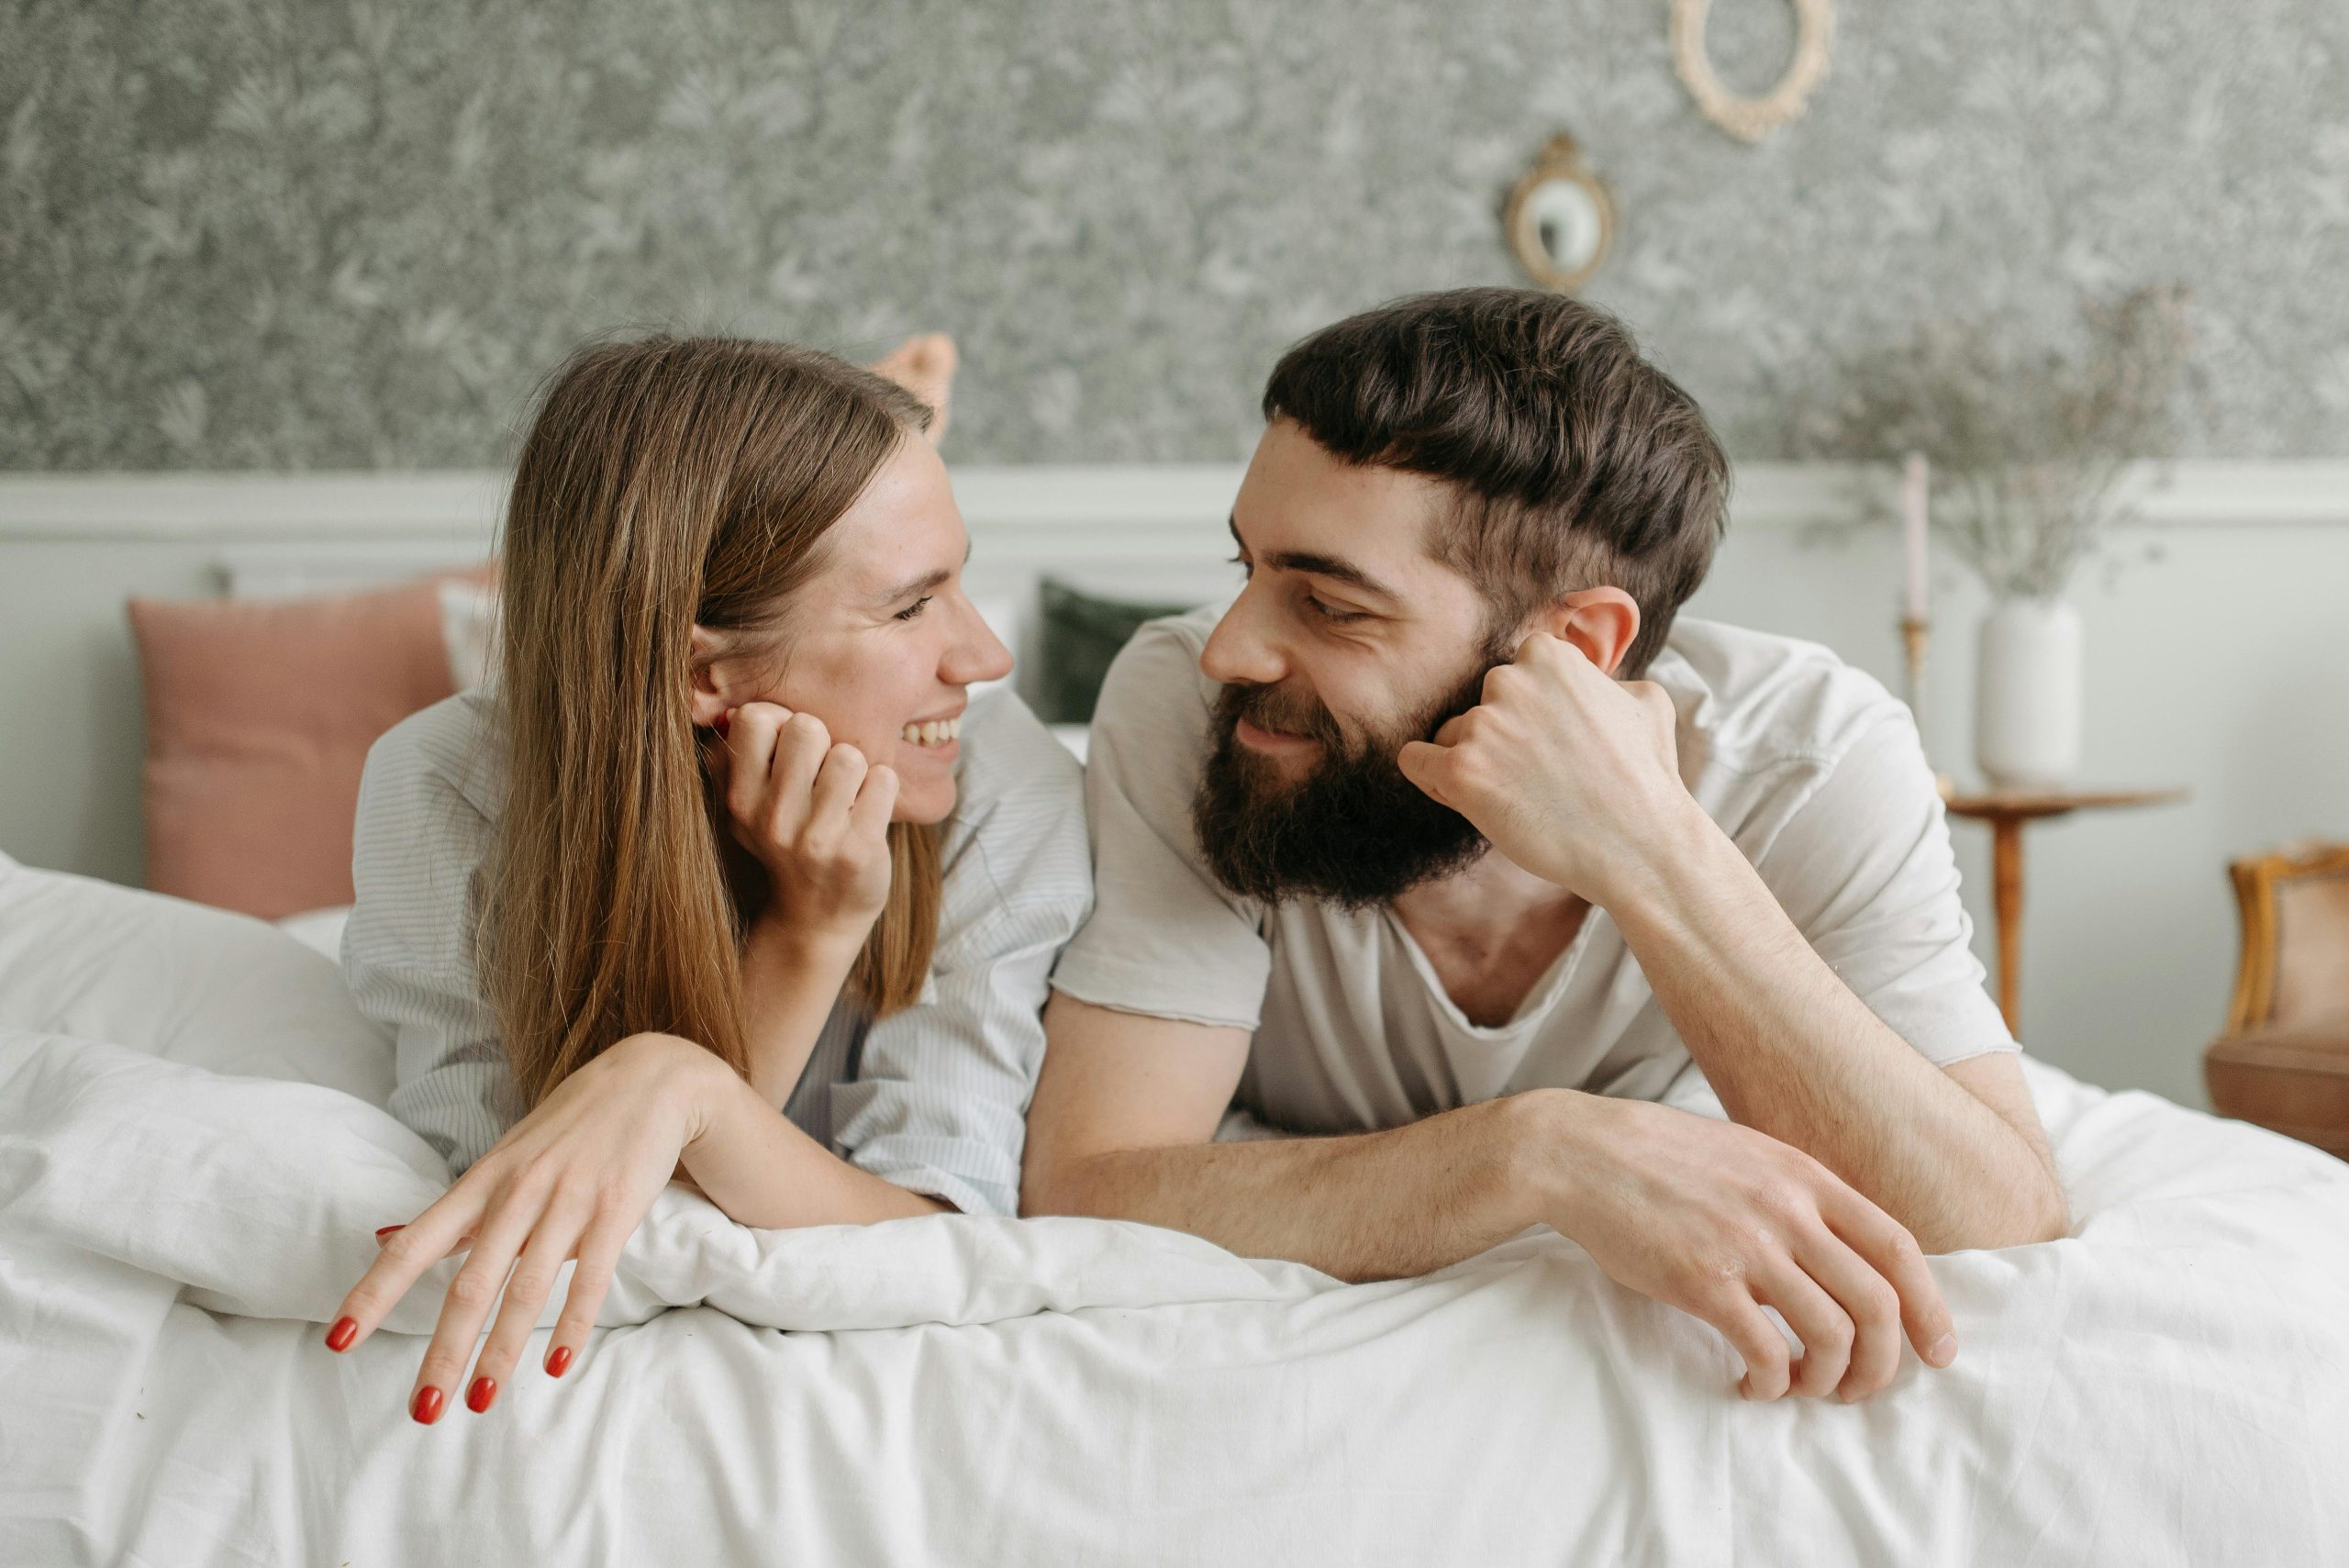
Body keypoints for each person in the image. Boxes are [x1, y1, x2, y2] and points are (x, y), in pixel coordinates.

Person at [1021, 288, 2070, 1406]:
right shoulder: (1189, 709)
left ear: (1574, 646)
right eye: (1246, 570)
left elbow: (1995, 1223)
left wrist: (1654, 849)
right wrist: (1537, 1154)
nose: (1230, 649)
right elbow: (1092, 1185)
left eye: (1329, 605)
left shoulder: (1808, 756)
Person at [324, 333, 1090, 1426]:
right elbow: (565, 1219)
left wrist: (684, 1086)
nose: (983, 657)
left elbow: (941, 1229)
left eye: (960, 582)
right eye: (912, 606)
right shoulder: (444, 788)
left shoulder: (1003, 780)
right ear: (703, 672)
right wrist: (805, 938)